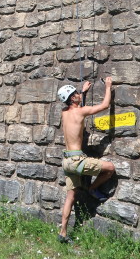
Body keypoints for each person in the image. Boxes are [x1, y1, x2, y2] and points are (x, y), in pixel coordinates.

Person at [57, 78, 115, 243]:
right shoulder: (80, 112)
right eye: (75, 93)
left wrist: (84, 92)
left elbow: (76, 109)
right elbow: (104, 106)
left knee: (70, 197)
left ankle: (62, 233)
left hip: (67, 161)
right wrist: (108, 87)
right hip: (77, 160)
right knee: (110, 168)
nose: (77, 94)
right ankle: (92, 188)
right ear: (71, 98)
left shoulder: (64, 112)